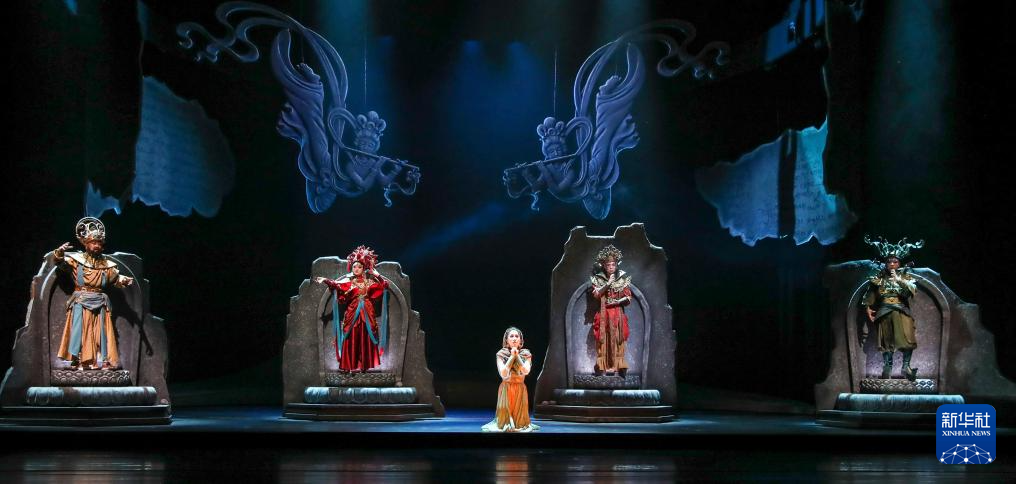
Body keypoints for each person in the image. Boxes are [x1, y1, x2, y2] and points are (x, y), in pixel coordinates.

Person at [53, 217, 134, 370]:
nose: (97, 246)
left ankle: (101, 360)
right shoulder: (76, 260)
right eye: (93, 243)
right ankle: (78, 360)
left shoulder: (107, 264)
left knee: (101, 332)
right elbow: (61, 264)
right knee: (80, 331)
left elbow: (114, 278)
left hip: (100, 302)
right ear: (86, 243)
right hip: (81, 300)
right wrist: (59, 253)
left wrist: (123, 280)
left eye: (99, 243)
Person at [313, 245, 389, 372]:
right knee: (351, 337)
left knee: (366, 338)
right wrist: (325, 280)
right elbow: (336, 285)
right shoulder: (349, 283)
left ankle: (364, 366)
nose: (356, 269)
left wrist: (378, 275)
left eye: (359, 267)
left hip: (367, 313)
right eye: (354, 267)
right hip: (353, 313)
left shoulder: (369, 283)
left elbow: (384, 286)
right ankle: (350, 366)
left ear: (364, 268)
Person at [861, 235, 925, 381]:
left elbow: (909, 293)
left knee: (908, 338)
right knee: (886, 341)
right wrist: (868, 308)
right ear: (885, 263)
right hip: (884, 311)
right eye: (889, 261)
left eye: (895, 261)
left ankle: (906, 366)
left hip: (901, 310)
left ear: (899, 263)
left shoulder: (906, 278)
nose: (892, 264)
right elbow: (871, 294)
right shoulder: (879, 278)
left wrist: (898, 280)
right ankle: (887, 367)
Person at [482, 327, 539, 432]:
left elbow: (526, 371)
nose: (514, 338)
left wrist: (517, 357)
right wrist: (512, 357)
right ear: (507, 340)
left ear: (520, 340)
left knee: (520, 423)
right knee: (505, 421)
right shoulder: (501, 354)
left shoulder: (526, 354)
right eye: (511, 336)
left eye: (517, 336)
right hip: (506, 388)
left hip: (520, 389)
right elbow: (503, 374)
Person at [590, 244, 631, 377]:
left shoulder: (622, 278)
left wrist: (617, 301)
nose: (611, 267)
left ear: (616, 265)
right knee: (603, 339)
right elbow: (596, 294)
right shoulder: (598, 278)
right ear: (604, 265)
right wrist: (607, 284)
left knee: (618, 338)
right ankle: (602, 366)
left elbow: (628, 298)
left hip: (617, 313)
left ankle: (619, 366)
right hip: (604, 314)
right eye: (608, 265)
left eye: (613, 264)